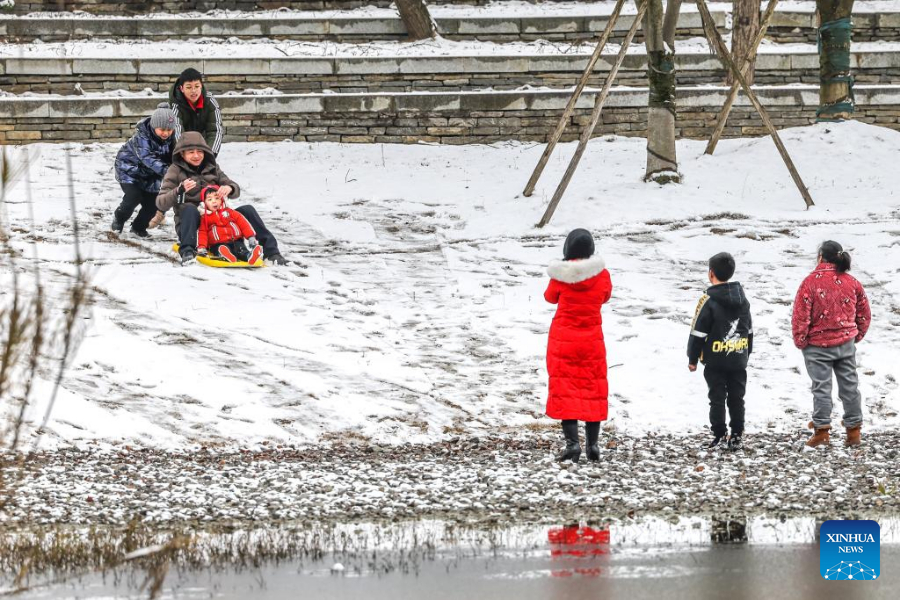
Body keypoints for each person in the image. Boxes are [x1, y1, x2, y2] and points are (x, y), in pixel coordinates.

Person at [155, 132, 288, 266]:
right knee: (189, 208)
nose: (196, 155)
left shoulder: (212, 167)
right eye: (191, 152)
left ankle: (272, 252)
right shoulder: (175, 170)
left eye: (200, 151)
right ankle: (188, 251)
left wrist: (230, 188)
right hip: (194, 226)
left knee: (247, 209)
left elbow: (233, 187)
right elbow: (160, 202)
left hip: (219, 221)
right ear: (182, 154)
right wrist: (179, 190)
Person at [792, 241, 870, 448]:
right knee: (850, 387)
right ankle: (854, 431)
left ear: (820, 257)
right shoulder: (852, 282)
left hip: (816, 346)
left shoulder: (809, 283)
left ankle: (822, 431)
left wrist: (800, 340)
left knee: (821, 388)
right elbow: (864, 313)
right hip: (846, 343)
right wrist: (856, 335)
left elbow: (801, 315)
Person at [544, 229, 612, 463]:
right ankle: (593, 446)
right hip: (592, 340)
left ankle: (572, 445)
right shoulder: (602, 275)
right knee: (593, 391)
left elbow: (550, 297)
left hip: (564, 340)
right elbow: (605, 297)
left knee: (566, 390)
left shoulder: (560, 275)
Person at [687, 252, 753, 451]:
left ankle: (719, 434)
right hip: (738, 358)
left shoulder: (708, 300)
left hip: (715, 361)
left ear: (711, 274)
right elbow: (749, 330)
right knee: (737, 398)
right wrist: (746, 352)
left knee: (716, 398)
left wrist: (692, 358)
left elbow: (698, 331)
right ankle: (737, 435)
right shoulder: (743, 300)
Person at [112, 102, 176, 237]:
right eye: (162, 130)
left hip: (151, 175)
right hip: (129, 170)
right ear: (154, 126)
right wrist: (168, 171)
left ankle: (138, 228)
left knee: (153, 204)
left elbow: (175, 156)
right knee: (133, 197)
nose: (166, 133)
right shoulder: (142, 137)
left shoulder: (172, 140)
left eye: (169, 130)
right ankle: (119, 217)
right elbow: (147, 157)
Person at [197, 185, 263, 265]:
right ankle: (225, 255)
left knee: (241, 249)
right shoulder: (205, 218)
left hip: (236, 240)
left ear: (222, 200)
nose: (214, 201)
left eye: (217, 198)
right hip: (218, 243)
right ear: (204, 203)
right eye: (210, 199)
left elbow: (243, 223)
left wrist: (250, 237)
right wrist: (202, 246)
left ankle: (250, 256)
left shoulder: (230, 212)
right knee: (221, 248)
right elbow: (202, 232)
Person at [169, 67, 223, 155]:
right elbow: (177, 130)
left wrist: (210, 155)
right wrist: (184, 154)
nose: (193, 91)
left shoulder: (210, 101)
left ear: (201, 86)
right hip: (182, 148)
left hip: (203, 145)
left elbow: (216, 130)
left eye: (197, 86)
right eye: (189, 87)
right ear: (182, 88)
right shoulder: (175, 104)